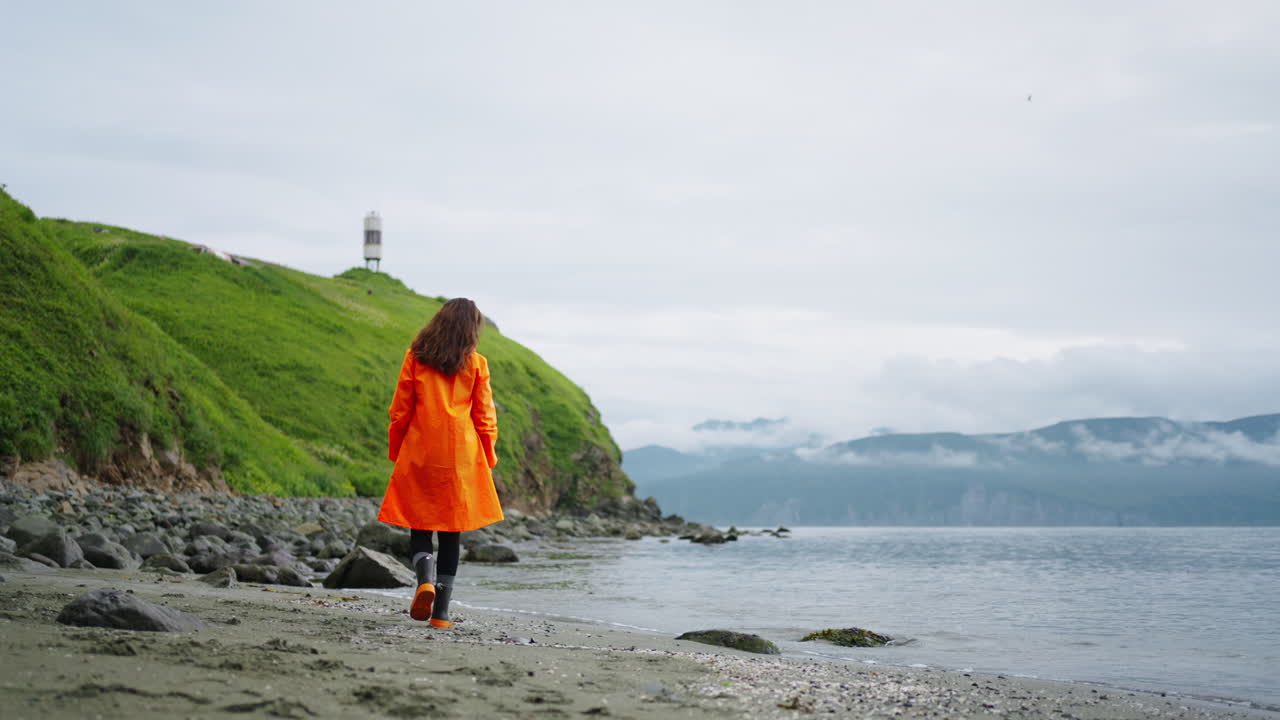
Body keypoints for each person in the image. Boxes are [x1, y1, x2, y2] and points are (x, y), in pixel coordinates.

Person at [376, 298, 502, 628]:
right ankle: (442, 614)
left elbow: (400, 410)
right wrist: (488, 456)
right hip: (461, 455)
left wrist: (398, 451)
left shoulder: (416, 358)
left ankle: (424, 582)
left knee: (420, 524)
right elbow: (485, 416)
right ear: (472, 329)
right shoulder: (476, 364)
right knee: (451, 533)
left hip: (421, 449)